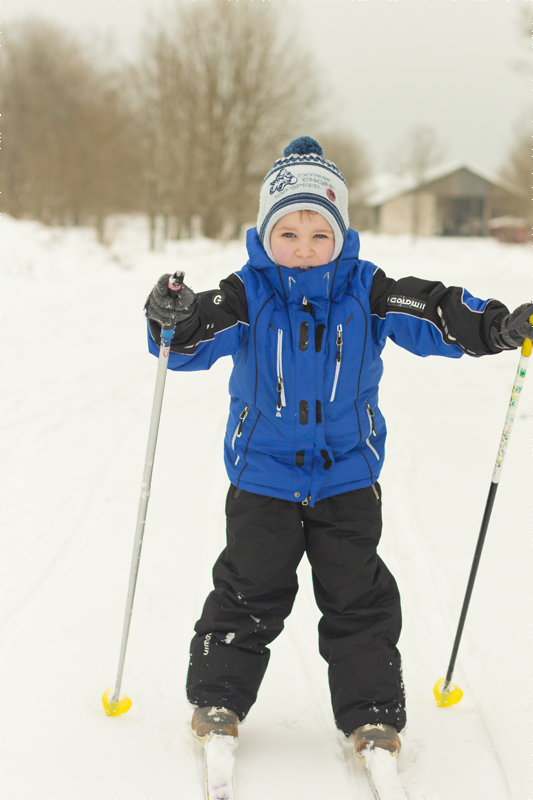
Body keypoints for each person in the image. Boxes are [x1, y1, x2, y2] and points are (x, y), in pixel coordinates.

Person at [144, 136, 533, 758]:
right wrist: (173, 317)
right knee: (249, 590)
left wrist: (492, 326)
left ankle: (372, 711)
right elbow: (190, 339)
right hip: (263, 479)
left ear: (341, 235)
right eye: (289, 233)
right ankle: (218, 698)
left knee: (359, 598)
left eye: (319, 234)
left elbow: (432, 310)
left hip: (348, 478)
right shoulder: (247, 294)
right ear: (266, 233)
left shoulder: (366, 289)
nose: (303, 249)